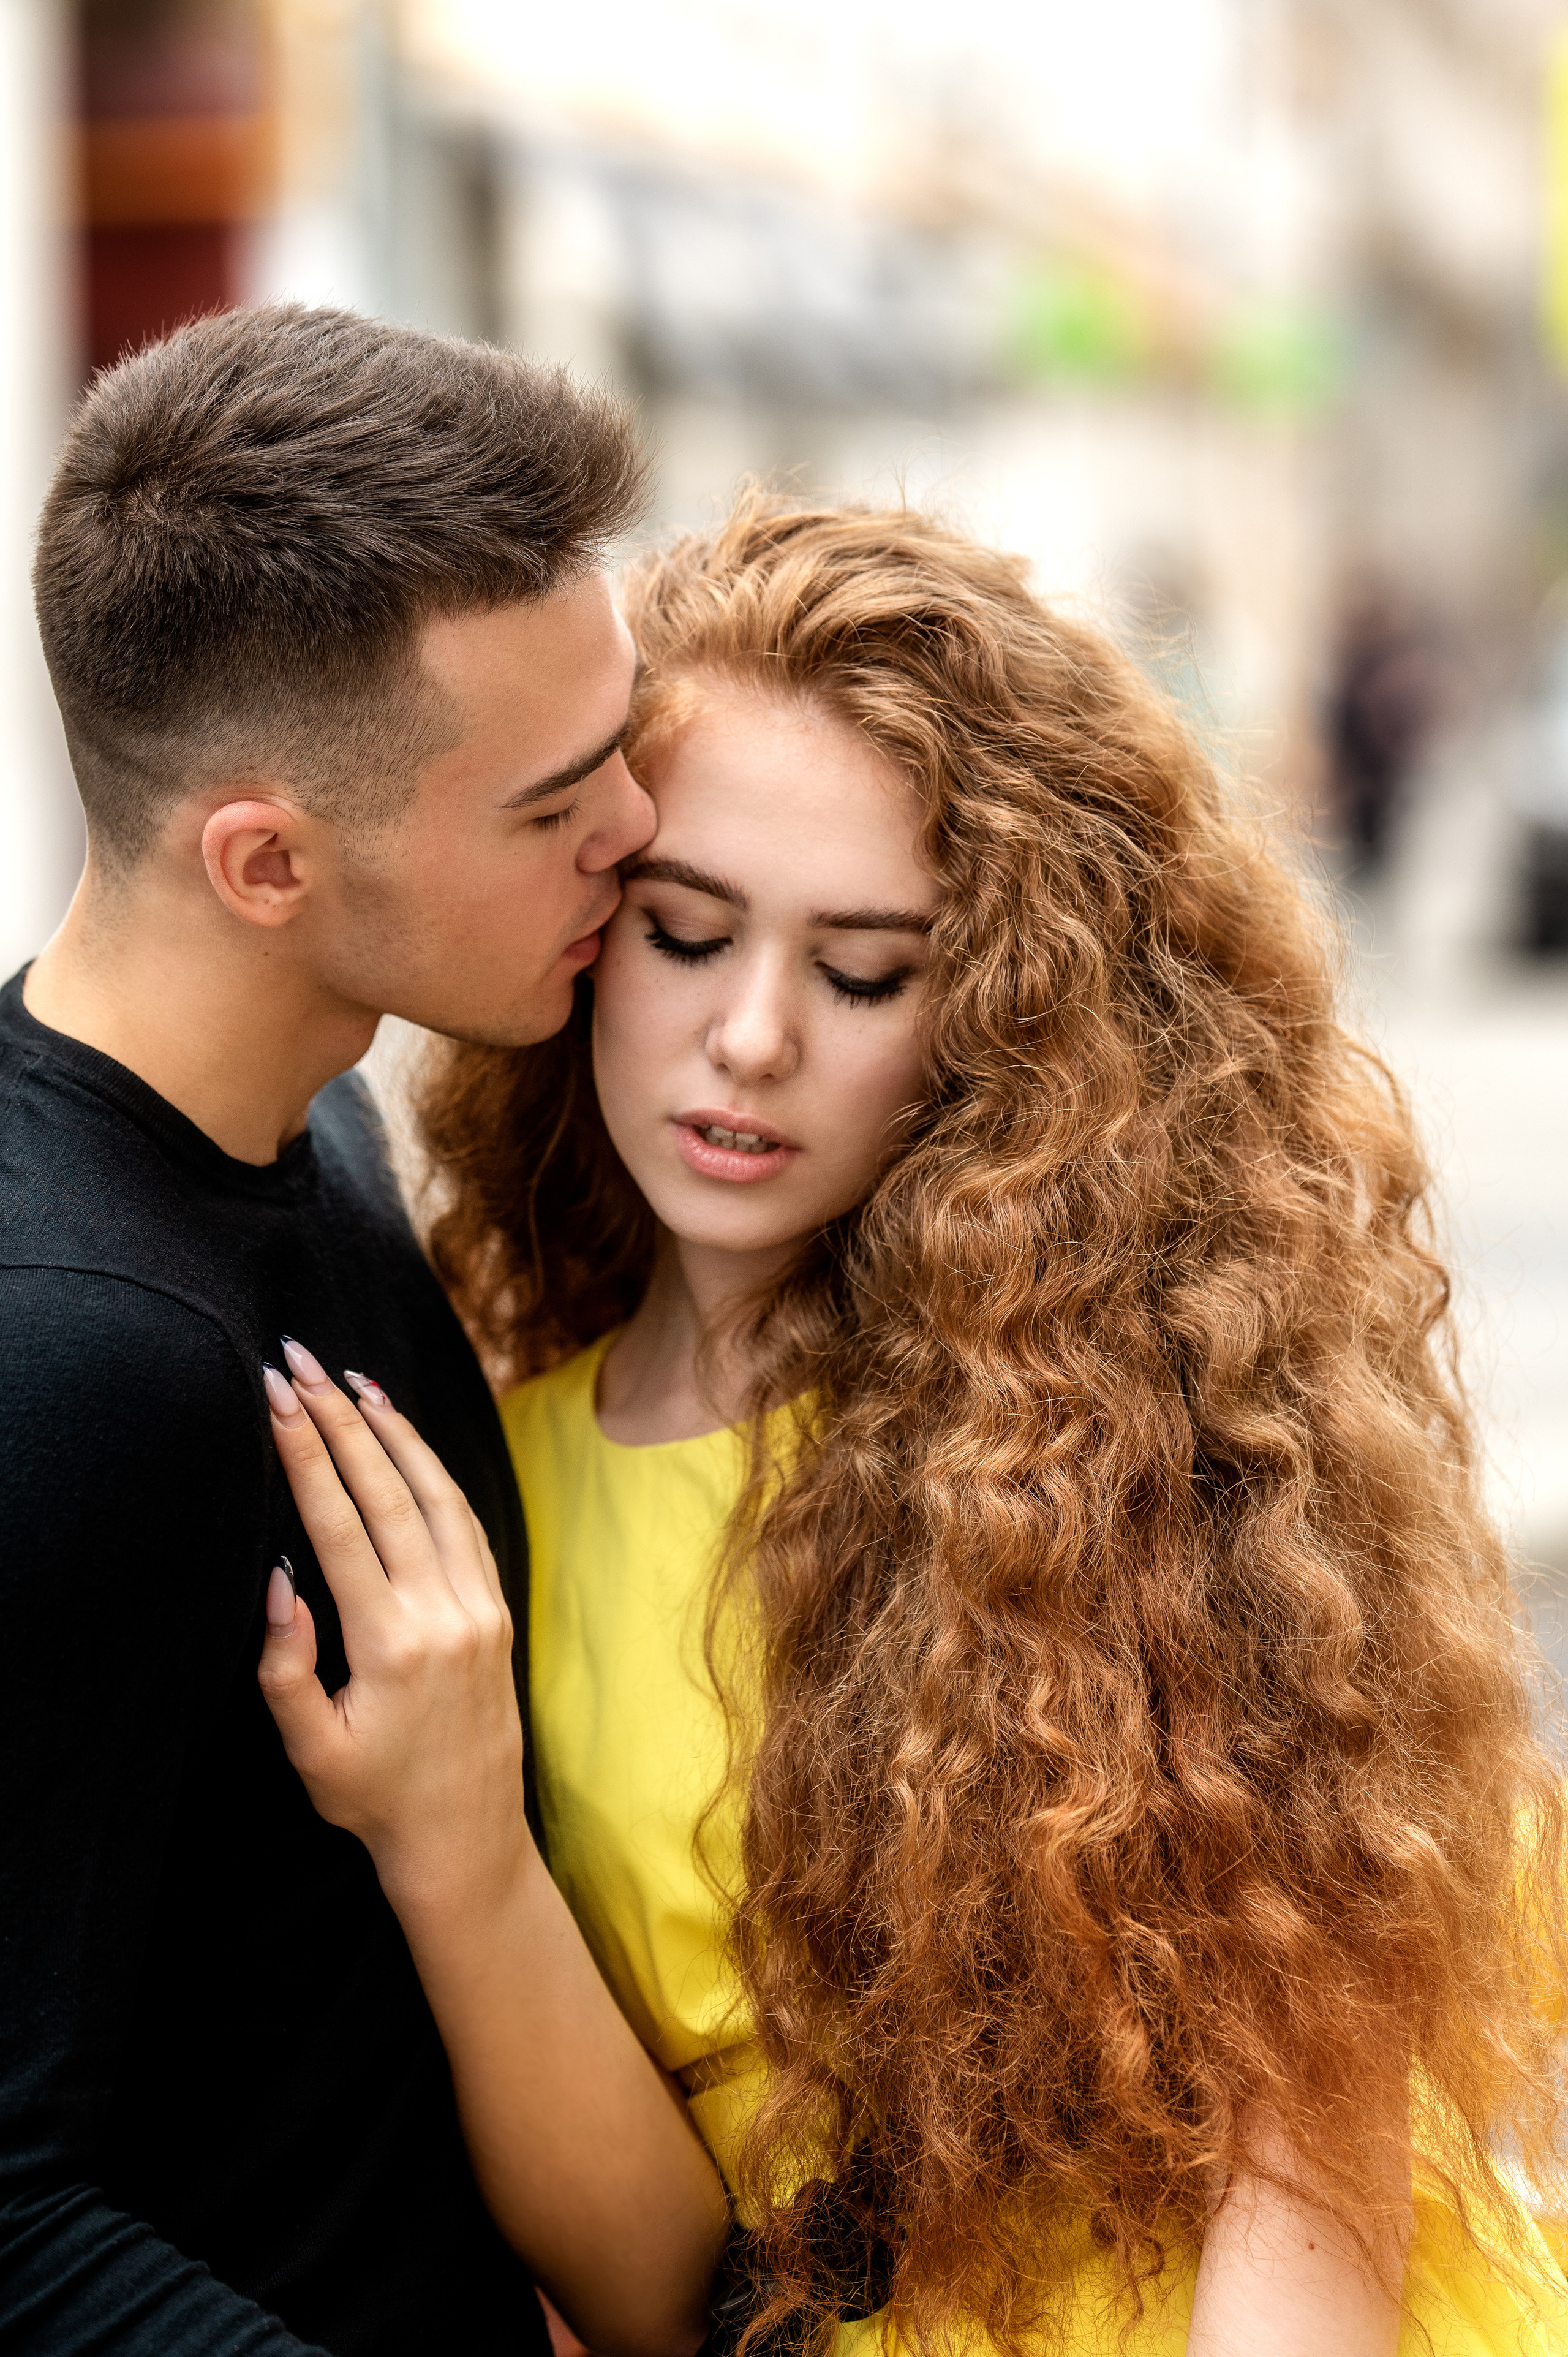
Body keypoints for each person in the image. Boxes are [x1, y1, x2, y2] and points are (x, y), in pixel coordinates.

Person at [263, 496, 1568, 2355]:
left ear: (1010, 1022)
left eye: (867, 970)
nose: (754, 1037)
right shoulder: (492, 1489)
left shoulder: (1143, 1443)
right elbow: (660, 2297)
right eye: (686, 934)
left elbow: (1302, 2198)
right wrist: (454, 1849)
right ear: (583, 933)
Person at [0, 305, 726, 2357]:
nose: (635, 832)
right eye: (553, 804)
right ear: (266, 862)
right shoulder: (75, 1361)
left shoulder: (317, 1125)